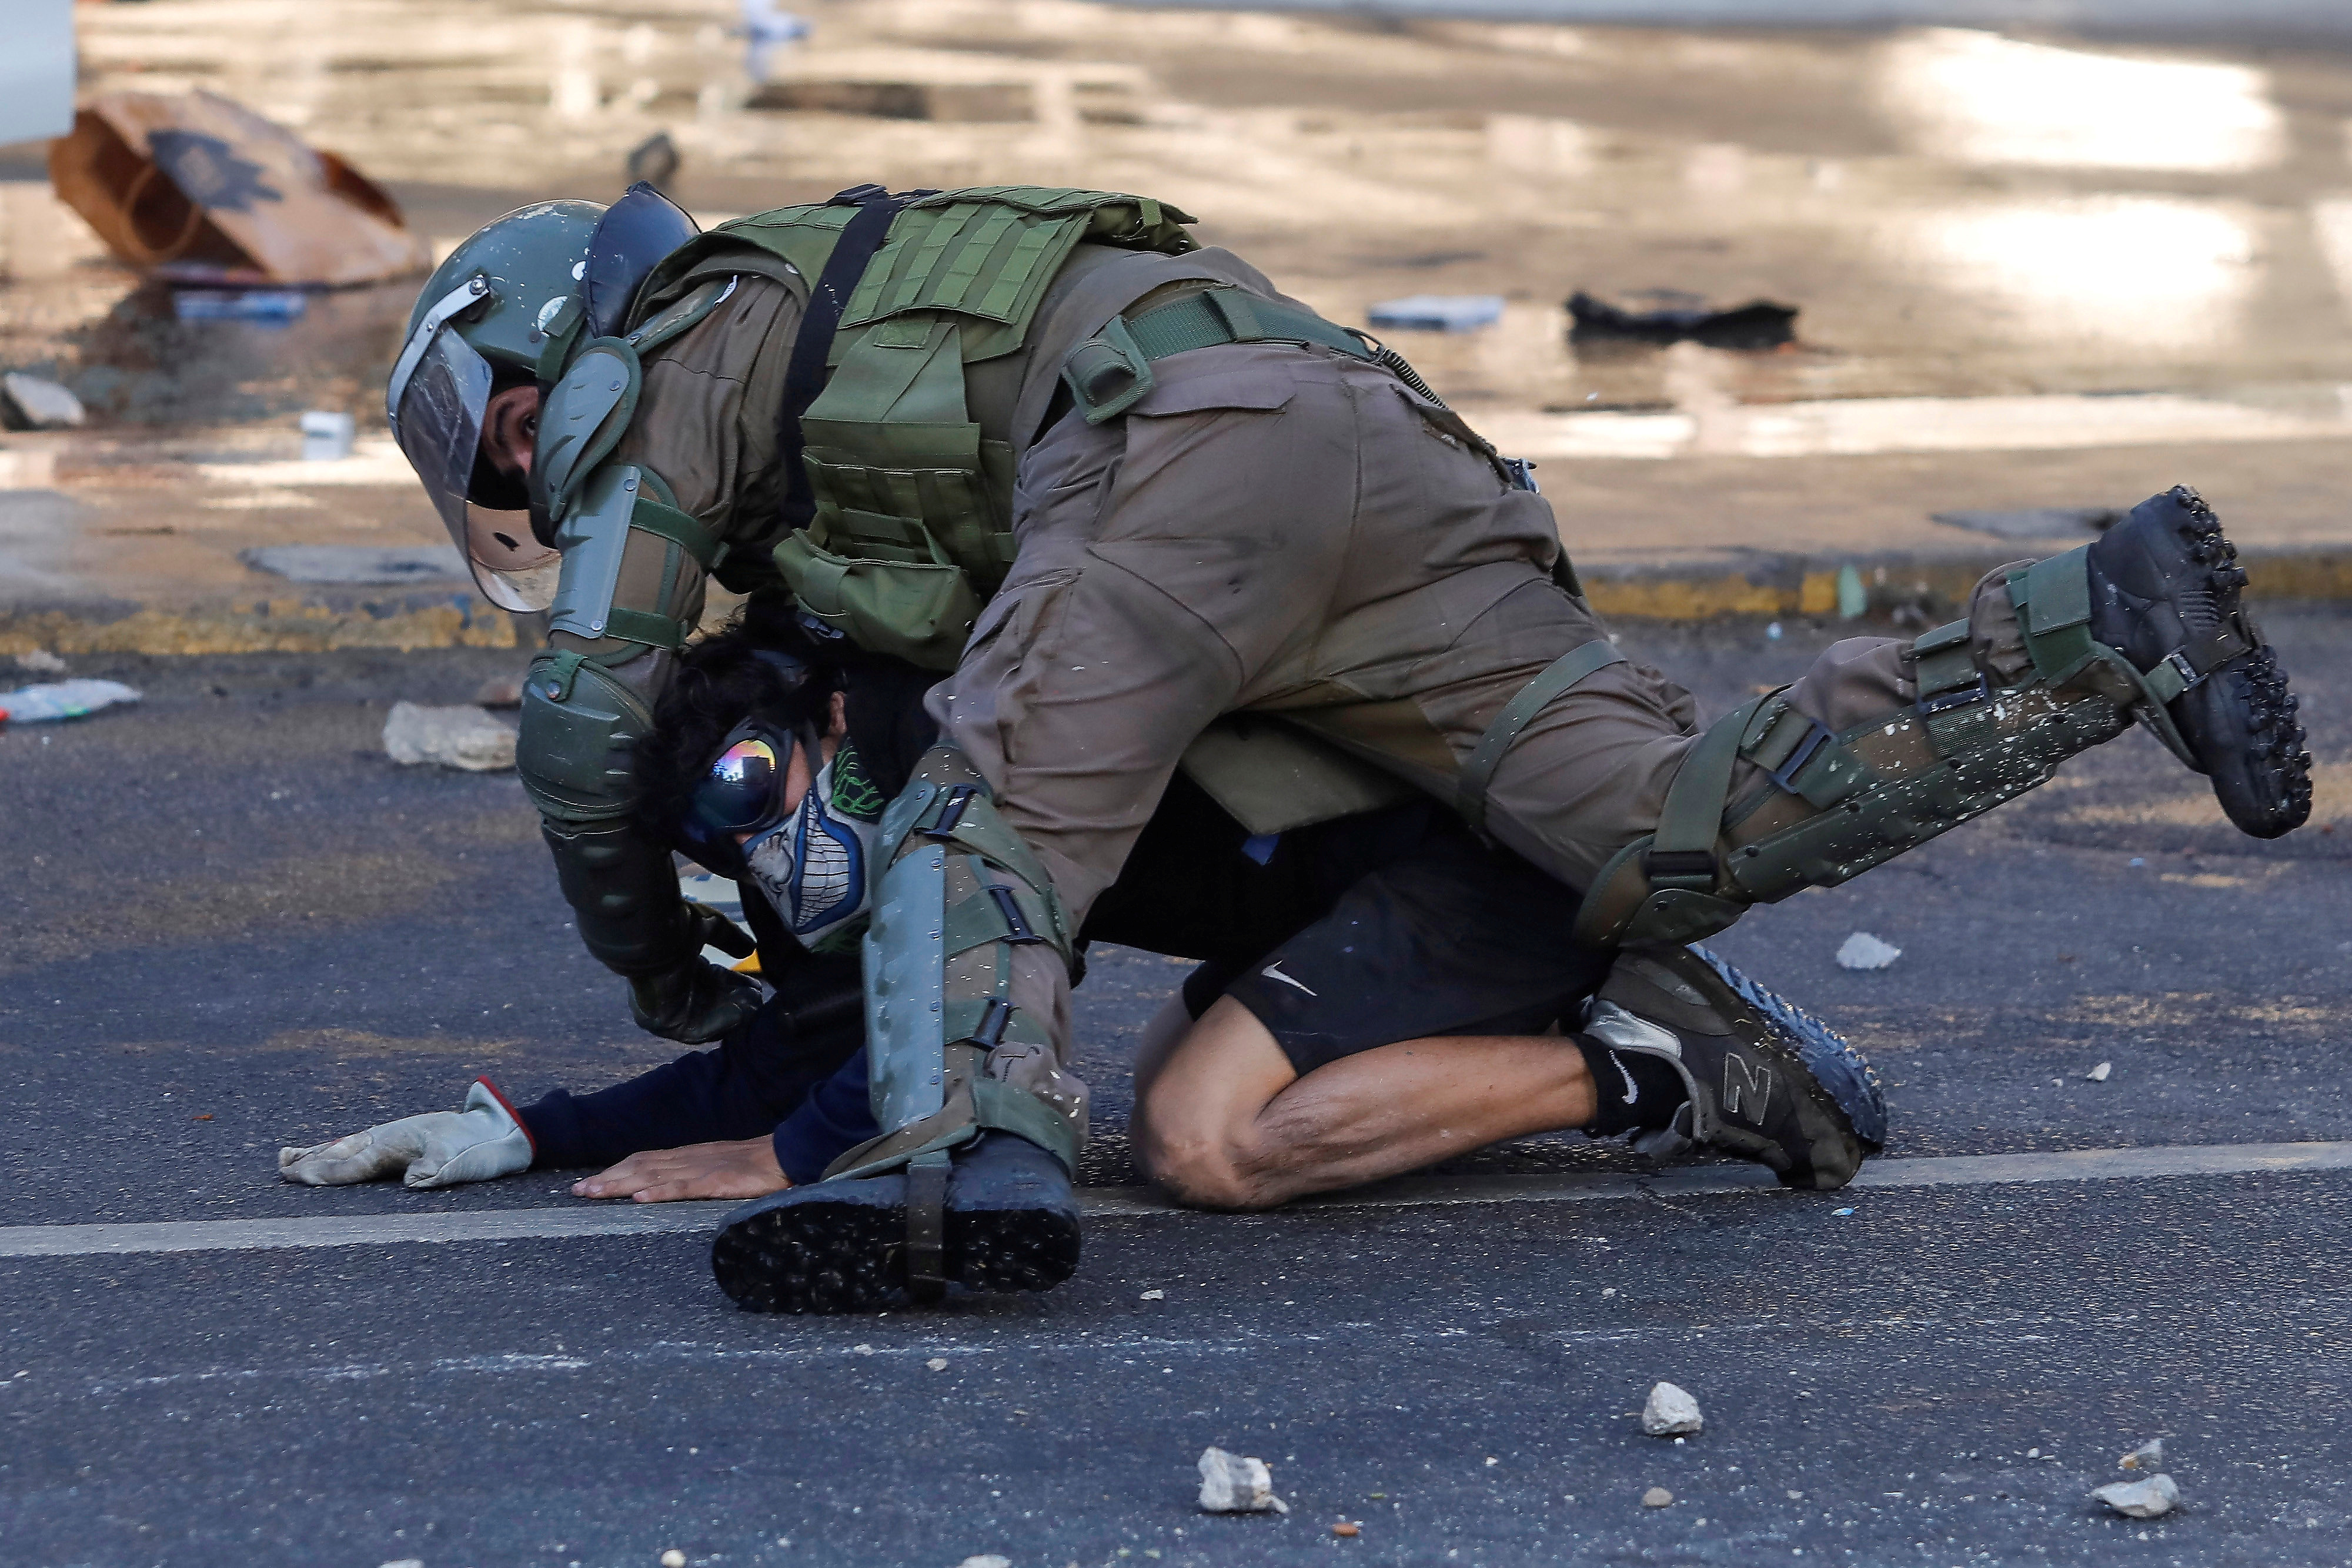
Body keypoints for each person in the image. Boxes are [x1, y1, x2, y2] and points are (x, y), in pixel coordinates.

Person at [382, 182, 2311, 1312]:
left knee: (991, 811)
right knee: (1667, 828)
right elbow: (835, 934)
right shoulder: (845, 453)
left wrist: (657, 981)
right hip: (1372, 443)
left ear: (548, 354)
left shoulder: (687, 341)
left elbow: (583, 714)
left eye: (493, 428)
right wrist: (560, 1123)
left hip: (1177, 444)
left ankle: (950, 1164)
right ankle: (2089, 627)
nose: (521, 472)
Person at [283, 617, 1885, 1315]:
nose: (756, 849)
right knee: (1171, 1076)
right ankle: (1604, 1020)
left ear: (827, 716)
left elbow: (898, 1064)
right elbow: (821, 1035)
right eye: (718, 842)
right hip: (1351, 880)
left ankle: (1666, 1063)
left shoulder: (949, 732)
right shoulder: (876, 783)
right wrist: (533, 1125)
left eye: (750, 789)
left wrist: (782, 1156)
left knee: (1203, 1137)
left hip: (1468, 859)